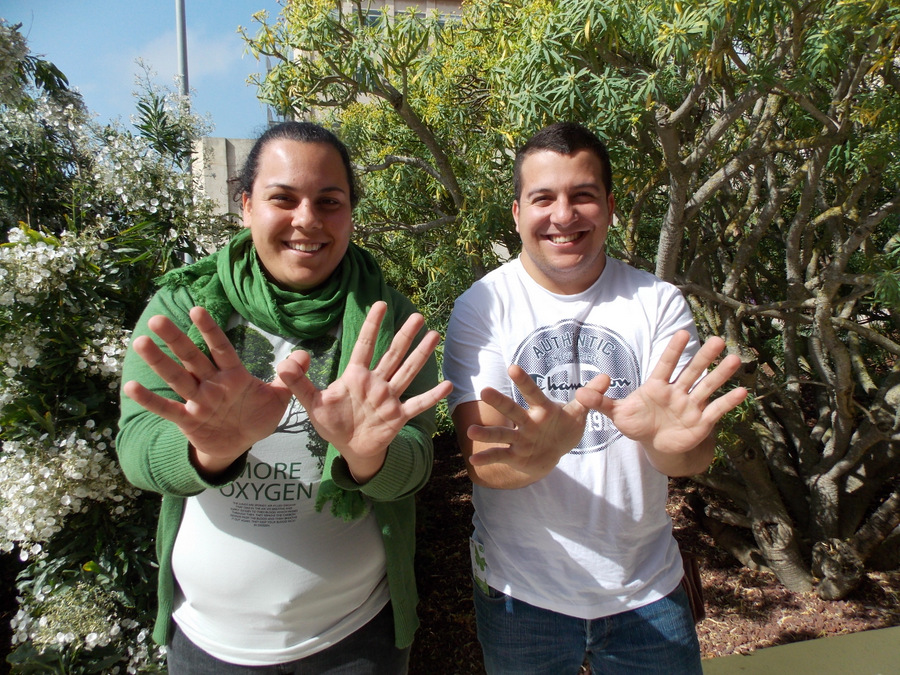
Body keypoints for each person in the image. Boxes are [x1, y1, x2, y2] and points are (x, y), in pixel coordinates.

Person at [117, 121, 452, 674]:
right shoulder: (185, 307)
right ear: (246, 205)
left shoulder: (386, 319)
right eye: (283, 198)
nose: (307, 220)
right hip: (209, 642)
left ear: (350, 213)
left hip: (355, 639)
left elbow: (415, 466)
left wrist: (369, 457)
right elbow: (136, 449)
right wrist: (209, 452)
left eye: (329, 201)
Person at [442, 122, 748, 674]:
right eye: (543, 198)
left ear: (608, 206)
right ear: (516, 212)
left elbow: (688, 459)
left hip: (647, 589)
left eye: (582, 195)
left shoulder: (657, 304)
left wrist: (675, 444)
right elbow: (486, 464)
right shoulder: (481, 307)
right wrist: (546, 449)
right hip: (521, 595)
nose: (563, 216)